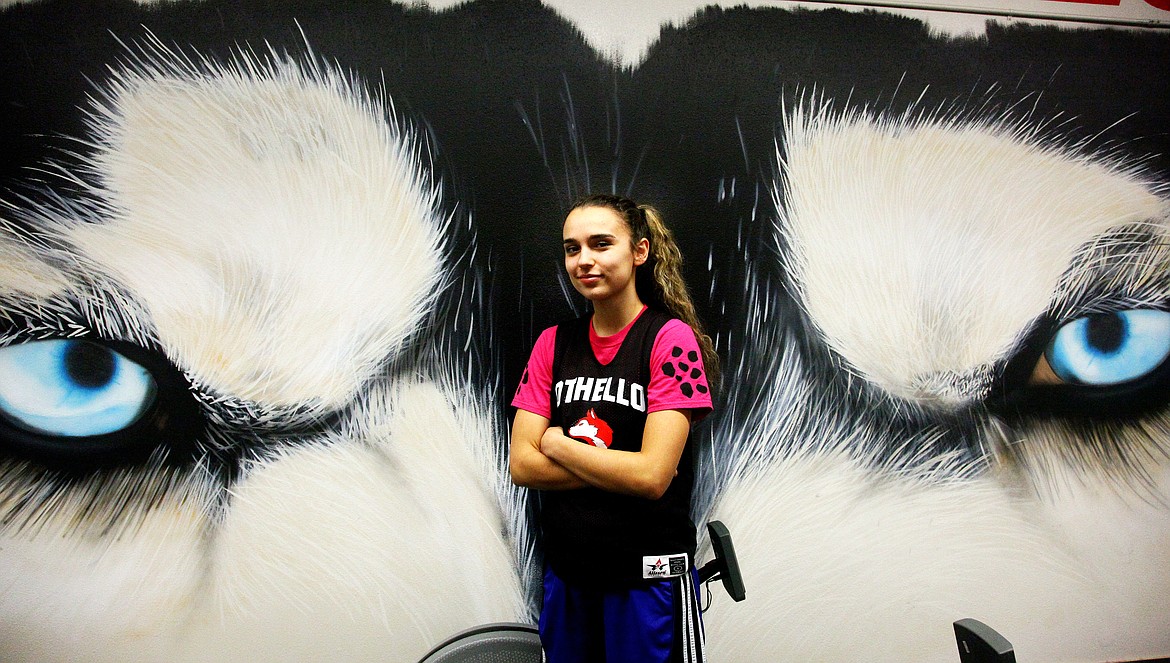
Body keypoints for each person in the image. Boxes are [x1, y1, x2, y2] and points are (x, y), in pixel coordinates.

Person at [510, 193, 718, 663]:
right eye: (572, 248)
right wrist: (621, 467)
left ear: (639, 251)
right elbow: (522, 465)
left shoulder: (670, 340)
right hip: (570, 579)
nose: (583, 259)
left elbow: (652, 478)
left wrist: (557, 443)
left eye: (601, 244)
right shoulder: (553, 343)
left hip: (647, 581)